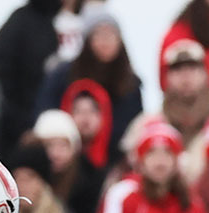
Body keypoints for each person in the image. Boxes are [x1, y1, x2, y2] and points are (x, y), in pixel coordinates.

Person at [36, 7, 143, 167]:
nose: (105, 41)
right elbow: (45, 113)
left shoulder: (130, 83)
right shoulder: (63, 75)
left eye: (110, 35)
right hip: (65, 157)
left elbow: (135, 126)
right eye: (99, 34)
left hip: (113, 160)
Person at [0, 0, 74, 149]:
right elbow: (2, 79)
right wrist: (21, 128)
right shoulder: (20, 22)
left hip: (57, 131)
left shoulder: (67, 23)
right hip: (18, 132)